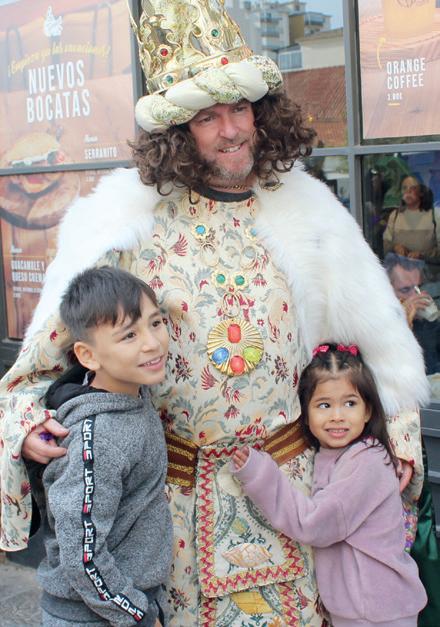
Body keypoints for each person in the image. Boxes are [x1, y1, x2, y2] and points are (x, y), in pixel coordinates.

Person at [0, 2, 430, 625]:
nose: (231, 130)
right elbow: (37, 371)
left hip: (292, 508)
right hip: (169, 518)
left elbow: (384, 353)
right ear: (178, 130)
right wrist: (29, 430)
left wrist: (400, 449)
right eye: (207, 116)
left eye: (240, 109)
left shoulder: (309, 214)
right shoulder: (124, 224)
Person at [231, 343, 427, 627]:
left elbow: (313, 523)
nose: (337, 415)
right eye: (324, 405)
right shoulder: (339, 454)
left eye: (350, 403)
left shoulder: (367, 462)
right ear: (305, 413)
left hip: (375, 611)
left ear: (368, 411)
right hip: (366, 606)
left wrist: (261, 475)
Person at [32, 266, 172, 626]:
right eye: (129, 335)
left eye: (156, 323)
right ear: (89, 356)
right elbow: (82, 553)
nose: (152, 343)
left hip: (118, 605)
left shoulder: (132, 397)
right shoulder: (98, 436)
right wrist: (136, 613)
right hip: (93, 615)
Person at [384, 252, 440, 375]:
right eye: (405, 290)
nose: (415, 296)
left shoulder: (426, 321)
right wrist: (401, 319)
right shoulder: (379, 321)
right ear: (387, 290)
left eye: (418, 287)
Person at [383, 175, 439, 274]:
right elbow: (385, 245)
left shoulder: (435, 215)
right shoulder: (395, 216)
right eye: (404, 188)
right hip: (400, 277)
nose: (408, 192)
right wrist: (395, 247)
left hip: (429, 277)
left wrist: (422, 255)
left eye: (413, 188)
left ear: (421, 192)